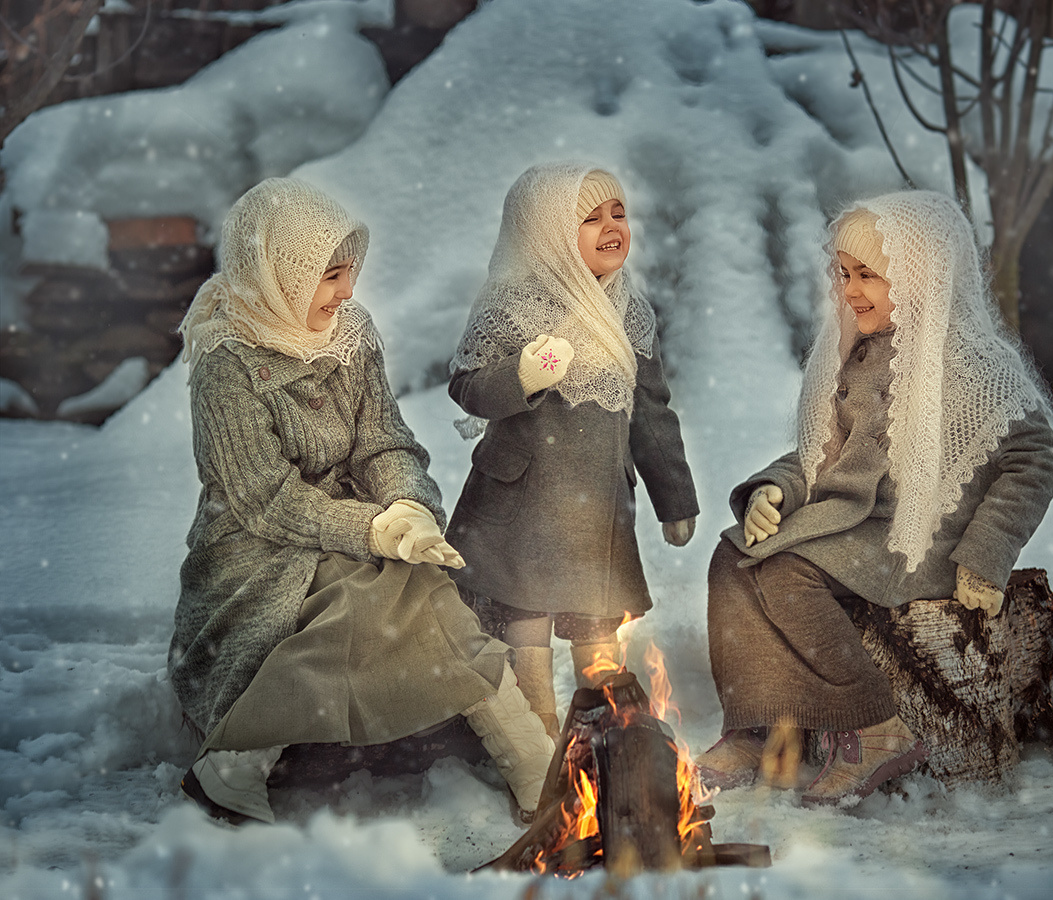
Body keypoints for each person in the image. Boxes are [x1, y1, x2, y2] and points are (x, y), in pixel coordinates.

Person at [169, 177, 554, 825]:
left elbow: (384, 440)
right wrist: (376, 532)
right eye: (330, 277)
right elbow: (265, 500)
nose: (348, 292)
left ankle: (528, 758)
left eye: (350, 273)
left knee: (415, 581)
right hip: (259, 548)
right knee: (370, 596)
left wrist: (405, 505)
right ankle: (238, 761)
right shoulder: (227, 363)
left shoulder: (348, 333)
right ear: (277, 275)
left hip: (354, 524)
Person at [697, 190, 1053, 806]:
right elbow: (819, 452)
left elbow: (1035, 459)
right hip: (853, 523)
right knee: (732, 560)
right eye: (844, 274)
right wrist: (774, 490)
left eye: (869, 275)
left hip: (919, 536)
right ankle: (758, 727)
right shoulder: (861, 356)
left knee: (786, 575)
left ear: (920, 278)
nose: (851, 290)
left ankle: (873, 727)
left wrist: (987, 551)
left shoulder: (974, 364)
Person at [445, 162, 700, 737]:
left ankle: (606, 737)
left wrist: (673, 497)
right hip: (521, 504)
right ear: (546, 234)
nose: (612, 226)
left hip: (595, 510)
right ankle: (533, 745)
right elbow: (467, 384)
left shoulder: (628, 309)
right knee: (524, 631)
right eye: (590, 218)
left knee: (597, 629)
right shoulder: (512, 302)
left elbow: (651, 411)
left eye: (618, 212)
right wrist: (523, 376)